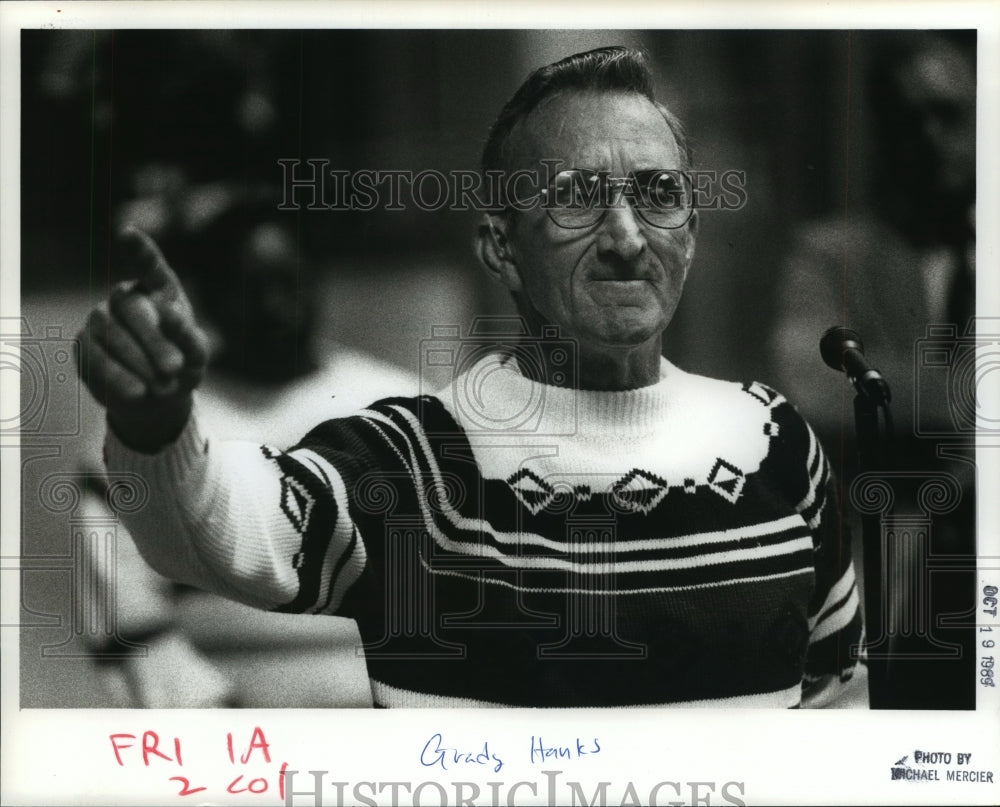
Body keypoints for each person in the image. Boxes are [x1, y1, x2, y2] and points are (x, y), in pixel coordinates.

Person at [79, 46, 866, 708]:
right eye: (577, 198)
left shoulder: (773, 441)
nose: (628, 237)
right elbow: (233, 532)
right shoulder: (418, 459)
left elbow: (838, 702)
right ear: (499, 246)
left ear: (691, 233)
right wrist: (157, 423)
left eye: (660, 195)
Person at [768, 32, 975, 709]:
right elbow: (809, 379)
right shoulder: (832, 253)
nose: (926, 136)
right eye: (903, 119)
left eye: (947, 115)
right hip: (887, 581)